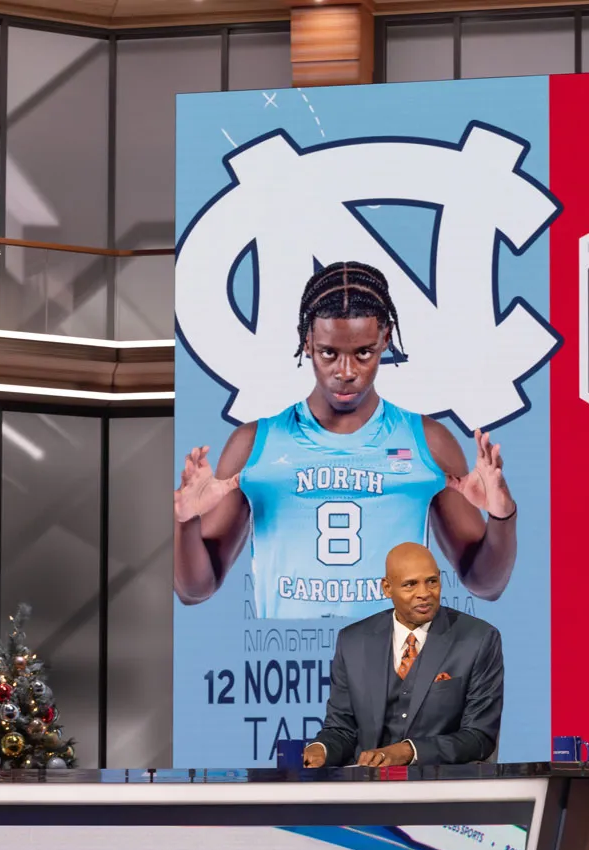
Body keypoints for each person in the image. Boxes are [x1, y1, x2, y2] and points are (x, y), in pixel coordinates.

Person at [173, 261, 519, 622]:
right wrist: (185, 521)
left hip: (395, 670)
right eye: (329, 353)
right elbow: (195, 590)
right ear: (307, 342)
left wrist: (501, 516)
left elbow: (485, 585)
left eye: (363, 353)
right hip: (292, 666)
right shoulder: (253, 444)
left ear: (385, 340)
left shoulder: (428, 442)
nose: (346, 371)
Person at [303, 542, 502, 767]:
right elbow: (342, 728)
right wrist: (321, 749)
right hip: (370, 789)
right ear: (387, 588)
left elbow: (479, 736)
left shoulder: (478, 639)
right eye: (410, 585)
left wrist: (410, 751)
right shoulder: (353, 642)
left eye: (432, 582)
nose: (424, 594)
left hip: (444, 787)